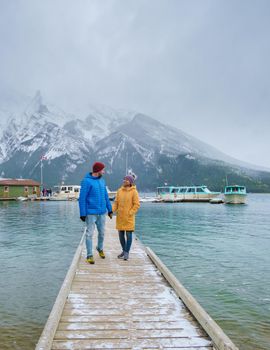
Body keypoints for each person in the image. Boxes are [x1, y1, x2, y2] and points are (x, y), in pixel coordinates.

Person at [79, 161, 113, 264]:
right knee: (89, 234)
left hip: (102, 212)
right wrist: (82, 213)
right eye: (103, 169)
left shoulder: (102, 181)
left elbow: (106, 196)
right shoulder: (86, 181)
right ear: (98, 170)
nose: (104, 171)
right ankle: (89, 255)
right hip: (90, 213)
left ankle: (99, 248)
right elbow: (82, 199)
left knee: (102, 233)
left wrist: (110, 209)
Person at [112, 175, 140, 261]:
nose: (124, 181)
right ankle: (124, 251)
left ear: (131, 182)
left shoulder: (134, 192)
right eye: (124, 179)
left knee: (128, 235)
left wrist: (130, 213)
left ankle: (126, 252)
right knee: (121, 236)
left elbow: (136, 205)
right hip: (120, 217)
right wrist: (111, 211)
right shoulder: (119, 191)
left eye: (127, 180)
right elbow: (116, 203)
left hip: (129, 218)